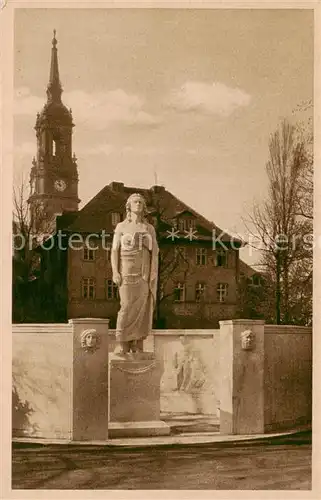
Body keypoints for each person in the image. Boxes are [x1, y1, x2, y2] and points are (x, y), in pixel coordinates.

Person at [111, 193, 159, 356]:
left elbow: (155, 250)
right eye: (135, 202)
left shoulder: (149, 228)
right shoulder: (121, 227)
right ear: (129, 206)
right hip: (126, 272)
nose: (138, 204)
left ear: (144, 207)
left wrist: (147, 243)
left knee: (141, 310)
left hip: (143, 274)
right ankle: (122, 343)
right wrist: (115, 272)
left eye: (140, 202)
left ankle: (138, 345)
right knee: (125, 307)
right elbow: (114, 250)